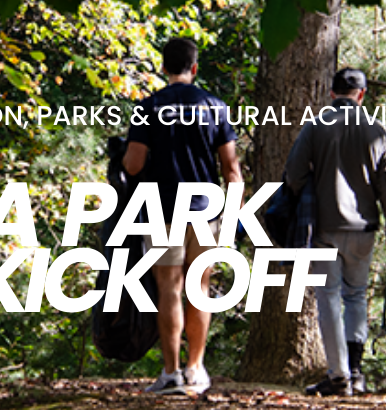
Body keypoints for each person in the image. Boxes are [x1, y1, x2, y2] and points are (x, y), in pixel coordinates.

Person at [123, 37, 242, 395]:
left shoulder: (149, 108)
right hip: (206, 211)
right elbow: (231, 170)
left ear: (163, 67)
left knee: (169, 290)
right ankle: (196, 369)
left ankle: (171, 372)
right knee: (200, 289)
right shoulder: (215, 107)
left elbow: (133, 164)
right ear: (194, 68)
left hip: (162, 209)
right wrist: (232, 221)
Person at [284, 68, 386, 397]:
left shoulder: (316, 126)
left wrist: (314, 186)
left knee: (328, 298)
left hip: (323, 227)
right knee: (356, 296)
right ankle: (356, 371)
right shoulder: (378, 131)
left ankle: (338, 377)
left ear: (331, 92)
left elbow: (293, 175)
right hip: (364, 229)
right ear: (362, 95)